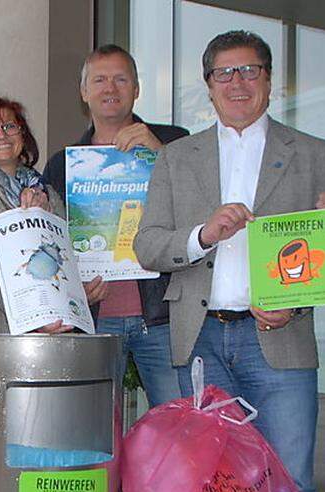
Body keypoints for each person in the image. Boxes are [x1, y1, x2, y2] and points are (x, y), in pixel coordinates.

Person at [132, 31, 325, 492]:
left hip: (277, 341)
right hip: (198, 340)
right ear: (208, 85)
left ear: (269, 79)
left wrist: (299, 300)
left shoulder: (314, 154)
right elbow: (149, 247)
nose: (237, 83)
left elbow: (324, 255)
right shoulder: (179, 159)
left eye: (249, 71)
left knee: (295, 487)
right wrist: (204, 234)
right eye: (224, 73)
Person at [43, 44, 187, 407]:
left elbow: (198, 210)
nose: (110, 88)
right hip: (95, 320)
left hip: (162, 319)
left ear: (136, 89)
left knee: (178, 431)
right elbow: (51, 247)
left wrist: (161, 156)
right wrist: (74, 289)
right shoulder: (63, 164)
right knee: (93, 434)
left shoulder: (174, 143)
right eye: (100, 80)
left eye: (121, 79)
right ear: (84, 92)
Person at [0, 96, 105, 334]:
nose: (1, 135)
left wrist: (82, 292)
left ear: (23, 135)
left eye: (9, 126)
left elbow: (66, 256)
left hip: (53, 331)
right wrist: (32, 315)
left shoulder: (47, 192)